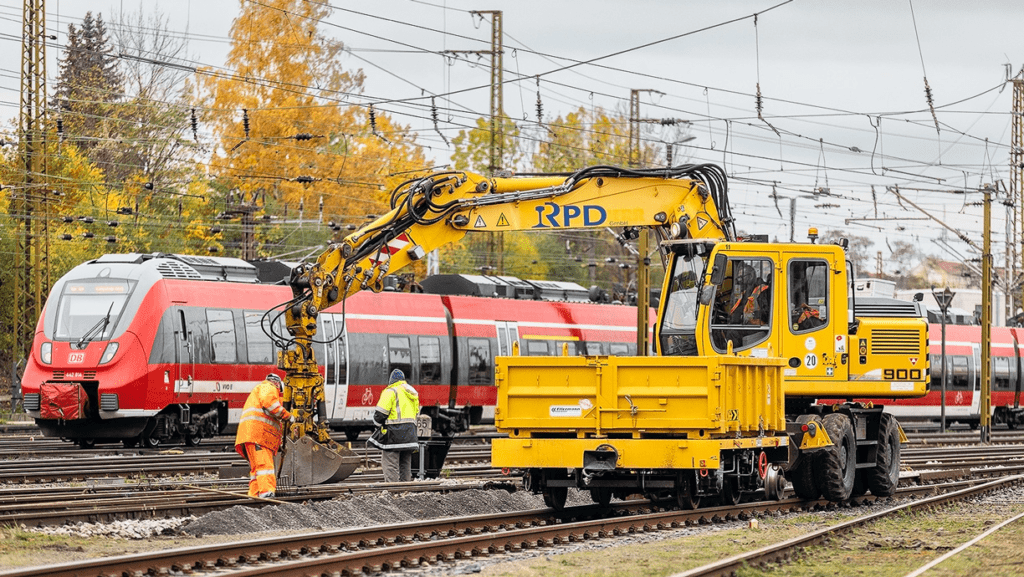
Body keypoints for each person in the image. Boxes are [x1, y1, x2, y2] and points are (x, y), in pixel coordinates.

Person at [234, 373, 294, 498]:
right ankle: (267, 493)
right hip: (259, 435)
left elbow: (274, 403)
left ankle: (254, 495)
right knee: (265, 465)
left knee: (256, 469)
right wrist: (288, 416)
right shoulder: (268, 387)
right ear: (277, 383)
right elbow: (271, 404)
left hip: (250, 435)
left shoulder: (259, 390)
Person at [369, 369, 420, 482]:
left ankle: (393, 491)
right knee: (405, 464)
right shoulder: (412, 392)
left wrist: (377, 425)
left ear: (391, 380)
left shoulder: (390, 391)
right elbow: (417, 413)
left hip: (393, 435)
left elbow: (380, 414)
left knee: (390, 464)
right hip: (410, 435)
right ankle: (405, 490)